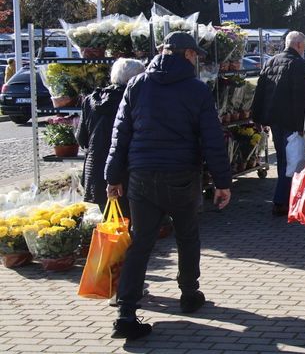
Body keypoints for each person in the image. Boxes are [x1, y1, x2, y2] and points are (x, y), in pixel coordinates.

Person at [104, 32, 232, 341]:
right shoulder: (197, 90)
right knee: (187, 236)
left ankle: (126, 312)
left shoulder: (137, 85)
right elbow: (212, 139)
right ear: (187, 54)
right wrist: (222, 182)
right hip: (181, 176)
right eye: (196, 55)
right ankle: (189, 294)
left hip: (141, 177)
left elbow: (121, 133)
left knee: (141, 244)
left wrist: (112, 176)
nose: (198, 59)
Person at [252, 31, 305, 216]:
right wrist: (302, 125)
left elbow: (260, 90)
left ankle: (284, 198)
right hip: (291, 121)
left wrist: (258, 118)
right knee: (290, 161)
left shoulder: (270, 61)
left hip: (274, 119)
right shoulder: (299, 64)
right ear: (299, 45)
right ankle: (281, 201)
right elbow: (300, 96)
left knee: (283, 160)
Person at [77, 58, 145, 213]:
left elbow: (82, 138)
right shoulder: (134, 101)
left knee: (112, 224)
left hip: (97, 169)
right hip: (128, 172)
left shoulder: (91, 100)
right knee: (133, 224)